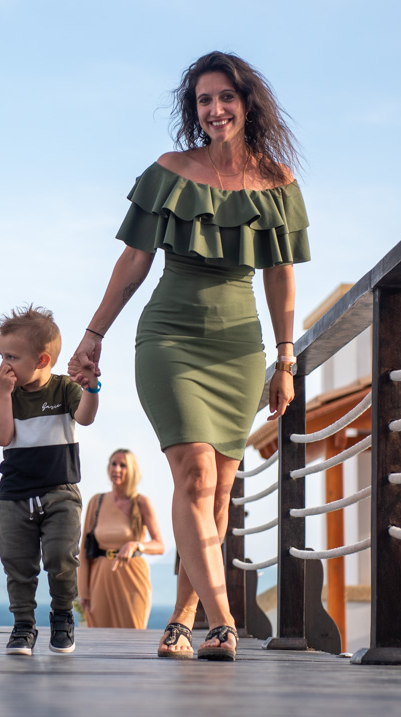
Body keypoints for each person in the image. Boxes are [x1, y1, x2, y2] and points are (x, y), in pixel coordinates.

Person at [68, 52, 308, 661]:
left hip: (240, 347)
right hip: (170, 337)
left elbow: (280, 278)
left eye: (225, 97)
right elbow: (133, 263)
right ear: (194, 109)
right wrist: (94, 333)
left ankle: (181, 616)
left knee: (219, 494)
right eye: (204, 100)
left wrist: (286, 359)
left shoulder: (277, 183)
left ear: (247, 102)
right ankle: (224, 622)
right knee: (195, 477)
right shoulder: (171, 171)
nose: (215, 109)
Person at [0, 305, 99, 656]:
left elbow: (85, 418)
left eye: (12, 356)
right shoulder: (7, 394)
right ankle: (23, 625)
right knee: (17, 562)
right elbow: (2, 436)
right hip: (15, 494)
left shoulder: (64, 389)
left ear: (41, 359)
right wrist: (3, 395)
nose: (4, 365)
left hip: (60, 491)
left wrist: (92, 387)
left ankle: (63, 615)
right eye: (2, 355)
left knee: (61, 556)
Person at [78, 449, 164, 629]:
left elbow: (159, 545)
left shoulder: (141, 503)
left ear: (132, 470)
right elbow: (84, 551)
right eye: (113, 464)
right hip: (100, 579)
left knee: (133, 637)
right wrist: (83, 592)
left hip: (133, 579)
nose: (116, 469)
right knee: (98, 641)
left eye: (123, 465)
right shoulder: (97, 501)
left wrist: (136, 545)